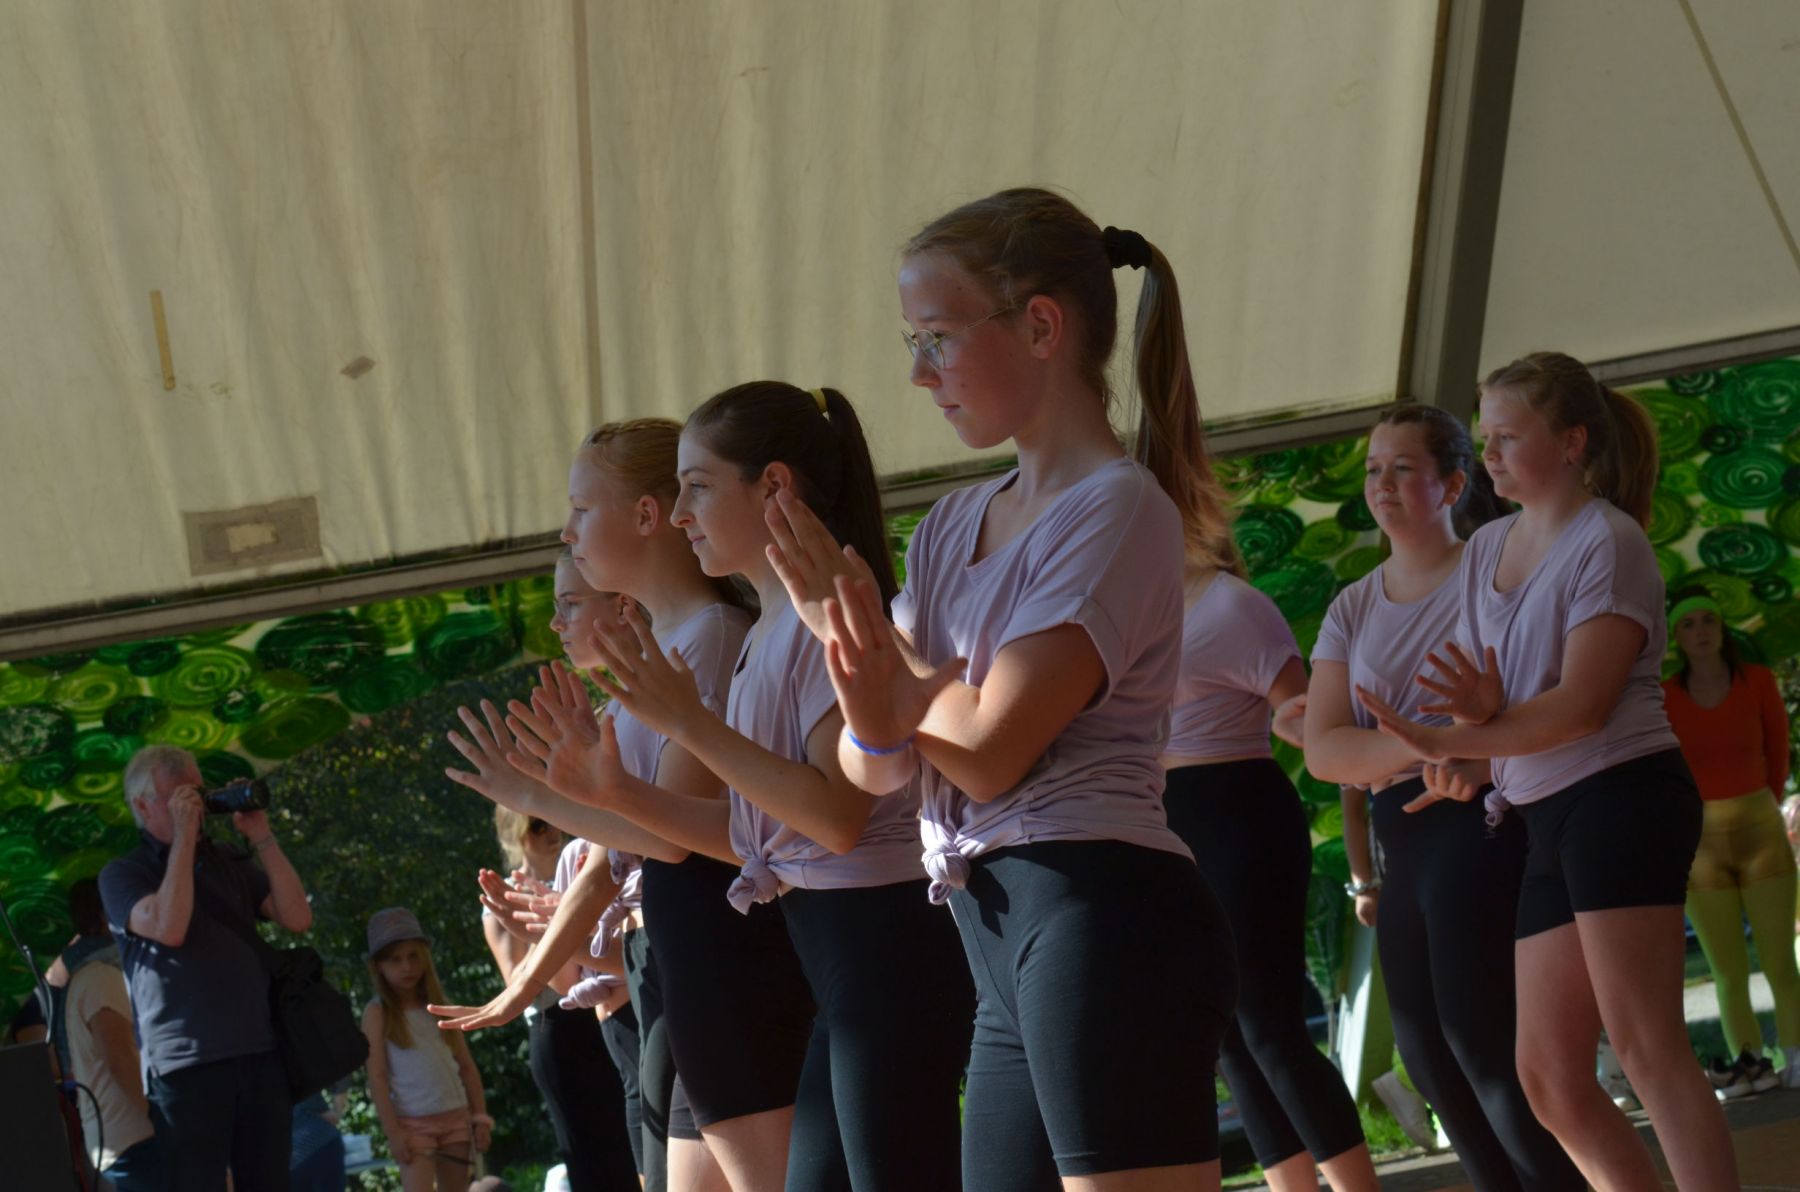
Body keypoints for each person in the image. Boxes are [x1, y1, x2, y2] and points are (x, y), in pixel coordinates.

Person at [766, 189, 1238, 1191]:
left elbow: (987, 749)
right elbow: (875, 766)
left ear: (1041, 326)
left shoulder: (1118, 507)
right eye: (914, 341)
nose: (918, 372)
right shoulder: (949, 524)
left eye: (936, 337)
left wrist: (883, 666)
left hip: (1099, 912)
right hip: (995, 929)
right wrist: (861, 669)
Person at [525, 383, 974, 1191]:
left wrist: (685, 729)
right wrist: (602, 791)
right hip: (837, 959)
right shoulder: (770, 627)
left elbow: (835, 817)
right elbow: (754, 829)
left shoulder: (822, 614)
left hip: (883, 948)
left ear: (773, 486)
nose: (681, 513)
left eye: (696, 488)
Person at [1358, 352, 1737, 1189]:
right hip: (1544, 813)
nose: (1488, 454)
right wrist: (1475, 740)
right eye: (1485, 437)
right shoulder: (1490, 544)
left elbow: (1582, 707)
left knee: (1646, 1047)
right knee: (1549, 1078)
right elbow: (1502, 699)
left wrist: (1456, 744)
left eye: (1506, 436)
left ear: (1571, 443)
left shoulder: (1610, 540)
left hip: (1621, 797)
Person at [439, 426, 752, 1192]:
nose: (567, 530)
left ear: (645, 516)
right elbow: (623, 854)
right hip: (678, 960)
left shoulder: (709, 639)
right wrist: (524, 983)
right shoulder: (667, 654)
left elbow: (669, 840)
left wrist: (542, 793)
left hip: (721, 957)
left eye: (582, 509)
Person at [1295, 405, 1581, 1191]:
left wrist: (1456, 751)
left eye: (1403, 469)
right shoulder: (1353, 605)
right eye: (1372, 469)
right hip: (1404, 834)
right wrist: (1430, 741)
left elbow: (1549, 694)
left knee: (1483, 1045)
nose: (1382, 484)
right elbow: (1324, 749)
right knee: (1425, 1057)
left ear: (1453, 485)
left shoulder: (1497, 565)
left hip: (1484, 820)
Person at [1155, 417, 1374, 1188]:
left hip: (1238, 813)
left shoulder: (1234, 606)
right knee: (1229, 1037)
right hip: (1170, 823)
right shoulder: (1136, 609)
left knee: (1270, 1026)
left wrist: (1307, 722)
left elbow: (1307, 715)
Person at [98, 744, 313, 1191]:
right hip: (186, 1067)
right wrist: (182, 839)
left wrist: (261, 836)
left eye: (196, 793)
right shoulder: (122, 875)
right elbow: (169, 927)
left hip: (258, 1053)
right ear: (142, 806)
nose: (192, 807)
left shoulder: (225, 859)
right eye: (177, 798)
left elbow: (297, 917)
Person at [1662, 589, 1800, 1091]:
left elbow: (1778, 751)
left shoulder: (1757, 681)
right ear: (1676, 637)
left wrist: (1763, 804)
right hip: (1701, 845)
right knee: (1727, 970)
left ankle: (1796, 1054)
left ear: (1722, 629)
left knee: (1780, 960)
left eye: (1708, 621)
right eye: (1688, 624)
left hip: (1761, 829)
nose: (1700, 631)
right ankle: (1749, 1062)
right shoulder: (1665, 696)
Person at [477, 804, 639, 1192]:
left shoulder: (584, 866)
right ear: (514, 833)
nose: (551, 832)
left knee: (630, 1143)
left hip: (605, 1014)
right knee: (588, 1154)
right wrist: (555, 924)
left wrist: (572, 907)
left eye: (553, 819)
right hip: (558, 1032)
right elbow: (516, 982)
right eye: (537, 825)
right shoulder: (506, 895)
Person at [361, 908, 491, 1192]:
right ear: (378, 966)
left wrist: (480, 1116)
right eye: (395, 960)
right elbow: (377, 1078)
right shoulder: (377, 1013)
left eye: (413, 956)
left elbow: (466, 1066)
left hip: (456, 1118)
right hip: (412, 1125)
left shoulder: (440, 1006)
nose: (407, 967)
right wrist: (393, 1133)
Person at [55, 878, 163, 1189]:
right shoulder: (101, 977)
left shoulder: (89, 975)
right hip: (136, 1137)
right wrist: (161, 1119)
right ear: (104, 915)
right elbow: (119, 1057)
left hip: (123, 1139)